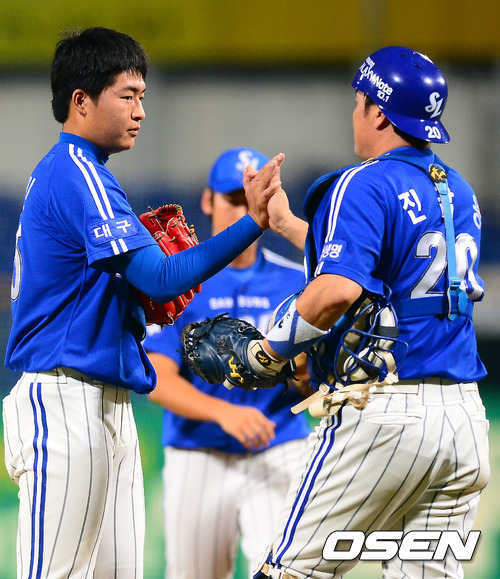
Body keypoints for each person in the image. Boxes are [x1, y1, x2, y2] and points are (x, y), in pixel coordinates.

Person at [2, 27, 284, 578]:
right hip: (64, 400)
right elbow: (161, 278)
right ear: (81, 100)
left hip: (105, 402)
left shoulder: (89, 176)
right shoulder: (75, 173)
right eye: (127, 95)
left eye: (143, 96)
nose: (140, 111)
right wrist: (252, 222)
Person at [247, 46, 491, 578]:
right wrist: (285, 224)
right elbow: (378, 265)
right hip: (465, 422)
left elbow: (337, 288)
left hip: (386, 413)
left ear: (378, 111)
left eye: (359, 101)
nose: (355, 111)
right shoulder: (458, 190)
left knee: (289, 571)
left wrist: (267, 352)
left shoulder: (365, 181)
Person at [144, 147, 311, 579]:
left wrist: (305, 375)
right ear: (208, 201)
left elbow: (310, 382)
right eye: (233, 199)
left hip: (280, 445)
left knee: (288, 572)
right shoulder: (183, 280)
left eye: (252, 199)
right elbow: (157, 378)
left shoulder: (295, 279)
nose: (243, 208)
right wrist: (225, 413)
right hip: (199, 452)